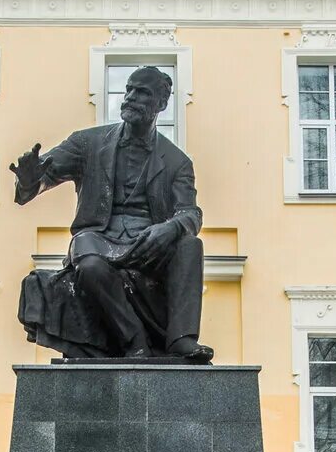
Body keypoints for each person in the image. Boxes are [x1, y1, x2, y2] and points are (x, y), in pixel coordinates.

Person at [11, 66, 214, 363]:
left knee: (190, 244)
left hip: (148, 245)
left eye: (142, 92)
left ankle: (182, 339)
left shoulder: (176, 161)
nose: (130, 97)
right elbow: (44, 174)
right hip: (98, 239)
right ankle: (136, 341)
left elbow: (190, 213)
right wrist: (29, 178)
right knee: (89, 262)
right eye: (129, 89)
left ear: (160, 103)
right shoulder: (87, 143)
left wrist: (169, 228)